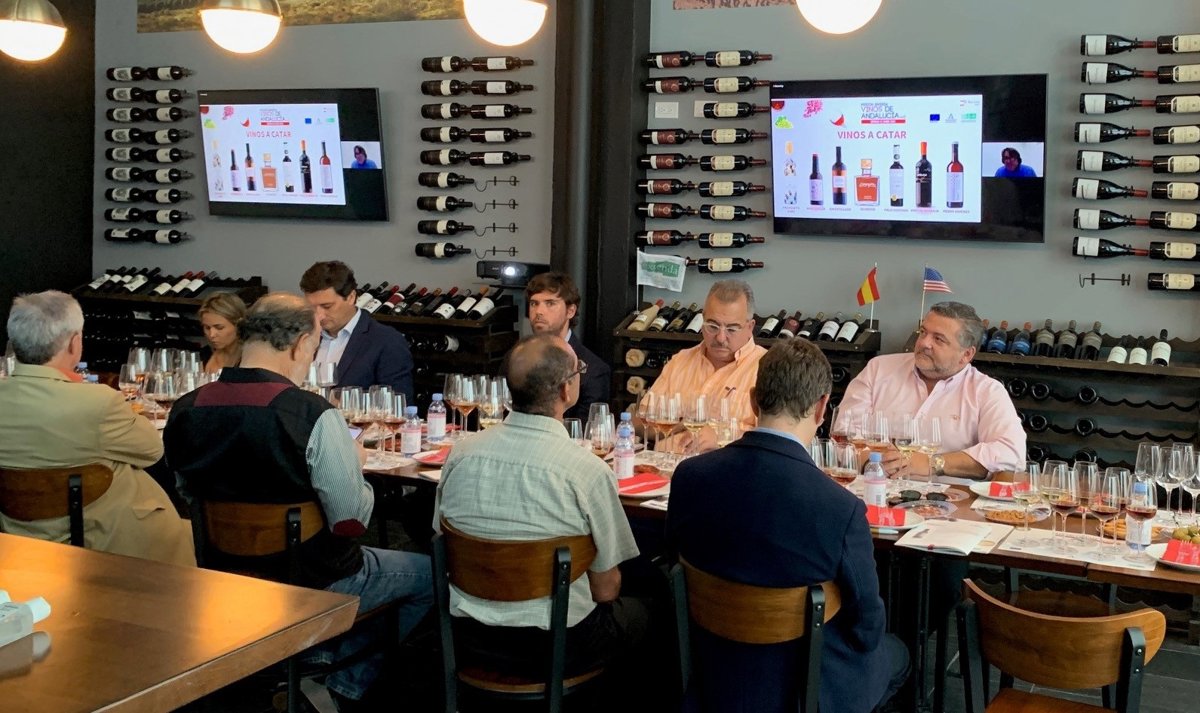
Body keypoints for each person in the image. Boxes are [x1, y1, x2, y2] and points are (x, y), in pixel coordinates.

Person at [164, 293, 432, 712]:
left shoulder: (186, 408)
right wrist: (354, 463)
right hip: (312, 580)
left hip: (222, 574)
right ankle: (339, 683)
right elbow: (350, 522)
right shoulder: (311, 414)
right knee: (430, 574)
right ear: (300, 343)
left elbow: (186, 495)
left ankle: (310, 658)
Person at [667, 338, 907, 713]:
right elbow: (867, 627)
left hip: (713, 668)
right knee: (897, 653)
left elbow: (675, 564)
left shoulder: (690, 476)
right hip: (804, 684)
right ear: (822, 407)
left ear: (752, 400)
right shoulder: (840, 507)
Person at [433, 334, 646, 684]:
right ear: (566, 390)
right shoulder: (587, 471)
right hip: (557, 644)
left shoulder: (461, 454)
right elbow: (606, 590)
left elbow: (441, 540)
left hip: (467, 635)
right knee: (653, 605)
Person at [0, 291, 193, 566]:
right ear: (74, 343)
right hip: (109, 543)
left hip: (18, 539)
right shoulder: (98, 402)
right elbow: (152, 450)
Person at [837, 301, 1025, 483]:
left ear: (966, 354)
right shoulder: (878, 370)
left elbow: (1011, 453)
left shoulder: (987, 391)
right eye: (923, 332)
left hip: (953, 500)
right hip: (875, 492)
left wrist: (934, 463)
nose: (924, 343)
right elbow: (843, 437)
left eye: (938, 339)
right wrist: (875, 461)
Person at [645, 279, 767, 450]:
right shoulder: (680, 361)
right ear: (702, 321)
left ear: (750, 327)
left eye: (732, 329)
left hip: (732, 466)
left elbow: (779, 441)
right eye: (713, 326)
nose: (721, 338)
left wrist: (723, 436)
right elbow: (640, 422)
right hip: (666, 464)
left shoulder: (769, 369)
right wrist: (682, 425)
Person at [300, 260, 413, 401]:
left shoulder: (386, 341)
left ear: (351, 297)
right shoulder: (301, 336)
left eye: (327, 306)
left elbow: (398, 403)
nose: (318, 315)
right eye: (311, 307)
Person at [525, 271, 610, 422]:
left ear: (570, 311)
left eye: (550, 303)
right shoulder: (517, 359)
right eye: (534, 303)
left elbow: (584, 431)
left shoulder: (595, 371)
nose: (539, 312)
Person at [198, 291, 245, 373]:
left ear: (238, 325)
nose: (212, 335)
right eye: (207, 327)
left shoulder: (250, 360)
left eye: (219, 327)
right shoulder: (203, 354)